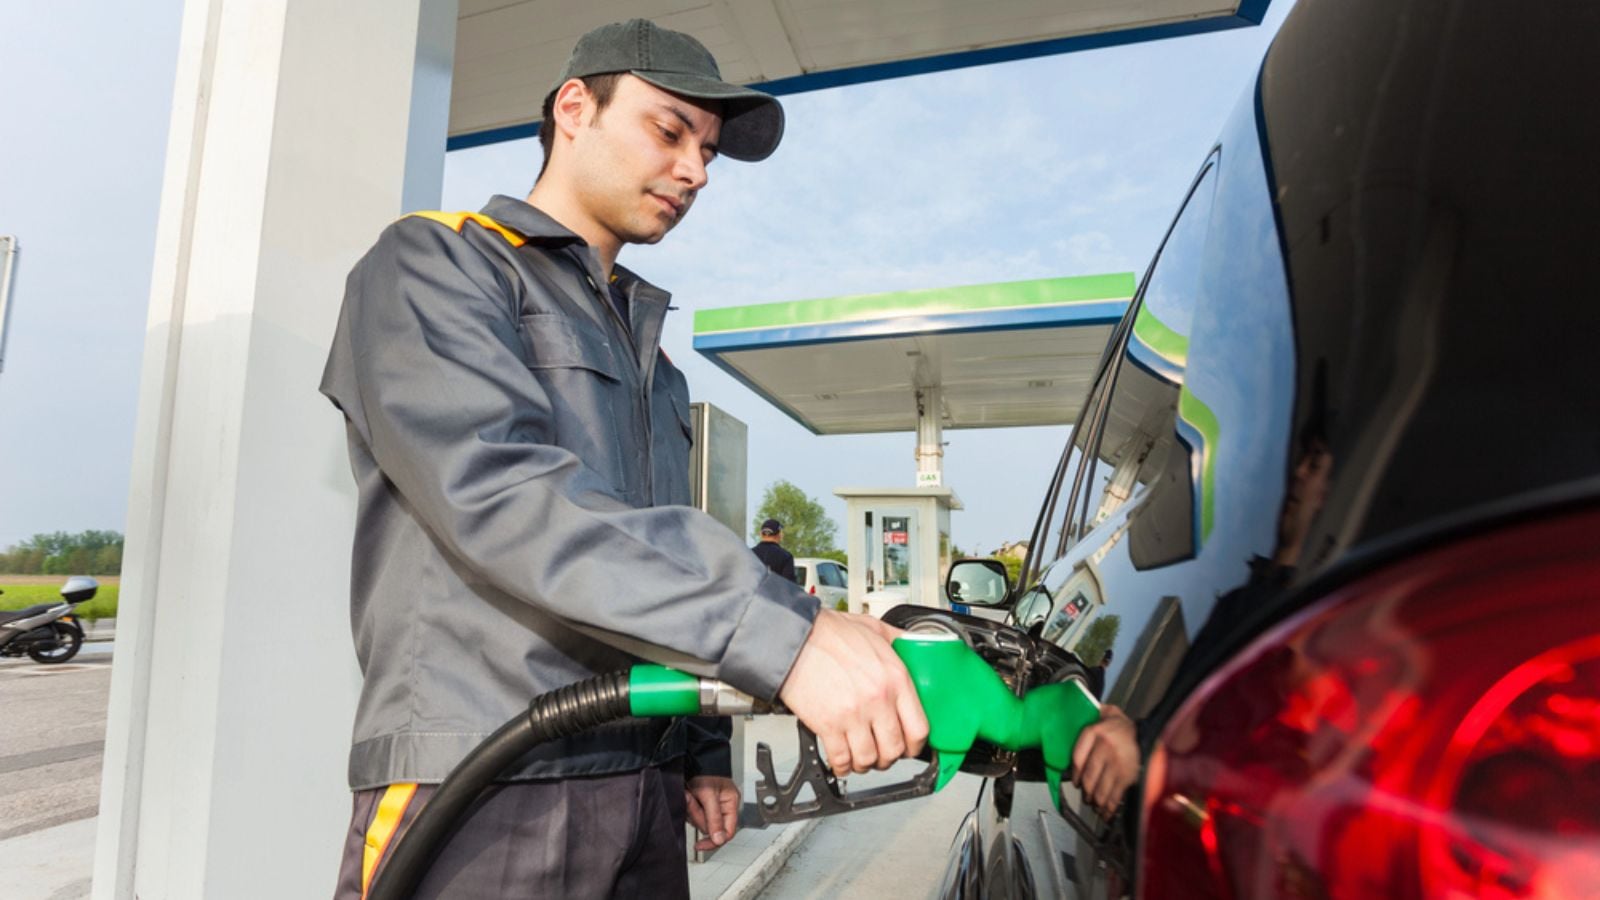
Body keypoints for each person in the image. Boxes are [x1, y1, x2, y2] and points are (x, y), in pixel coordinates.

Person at [320, 19, 927, 899]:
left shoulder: (659, 365)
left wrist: (700, 753)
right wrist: (784, 637)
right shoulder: (437, 263)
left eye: (707, 151)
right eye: (670, 131)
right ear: (575, 109)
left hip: (642, 783)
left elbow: (658, 541)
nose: (696, 171)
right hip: (485, 779)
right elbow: (501, 493)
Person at [751, 517, 797, 583]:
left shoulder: (749, 554)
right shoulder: (786, 557)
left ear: (761, 534)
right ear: (780, 535)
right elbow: (789, 585)